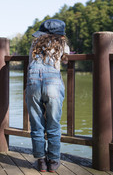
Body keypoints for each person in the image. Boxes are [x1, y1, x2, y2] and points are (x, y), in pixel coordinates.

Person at [25, 19, 70, 173]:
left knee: (37, 124)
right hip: (53, 84)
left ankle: (41, 161)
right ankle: (53, 161)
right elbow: (66, 55)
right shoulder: (62, 45)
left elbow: (30, 62)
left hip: (33, 82)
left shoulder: (35, 44)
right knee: (53, 124)